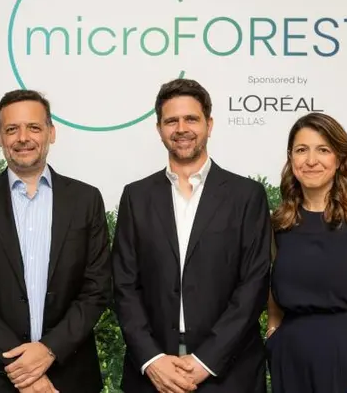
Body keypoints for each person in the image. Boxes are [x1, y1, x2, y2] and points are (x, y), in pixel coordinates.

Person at [112, 78, 272, 393]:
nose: (181, 128)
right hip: (154, 374)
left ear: (209, 125)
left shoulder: (247, 196)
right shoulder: (136, 197)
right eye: (171, 121)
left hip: (229, 372)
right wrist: (152, 358)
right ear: (159, 129)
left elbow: (253, 285)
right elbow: (124, 285)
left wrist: (205, 361)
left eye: (191, 119)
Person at [0, 89, 111, 393]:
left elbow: (96, 289)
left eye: (33, 127)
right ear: (0, 137)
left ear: (51, 133)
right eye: (12, 129)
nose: (23, 138)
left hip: (71, 377)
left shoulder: (85, 200)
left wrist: (49, 350)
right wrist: (24, 370)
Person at [266, 112, 347, 392]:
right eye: (302, 150)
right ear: (291, 158)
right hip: (292, 363)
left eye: (323, 150)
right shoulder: (280, 224)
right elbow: (275, 298)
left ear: (339, 159)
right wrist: (273, 335)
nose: (311, 160)